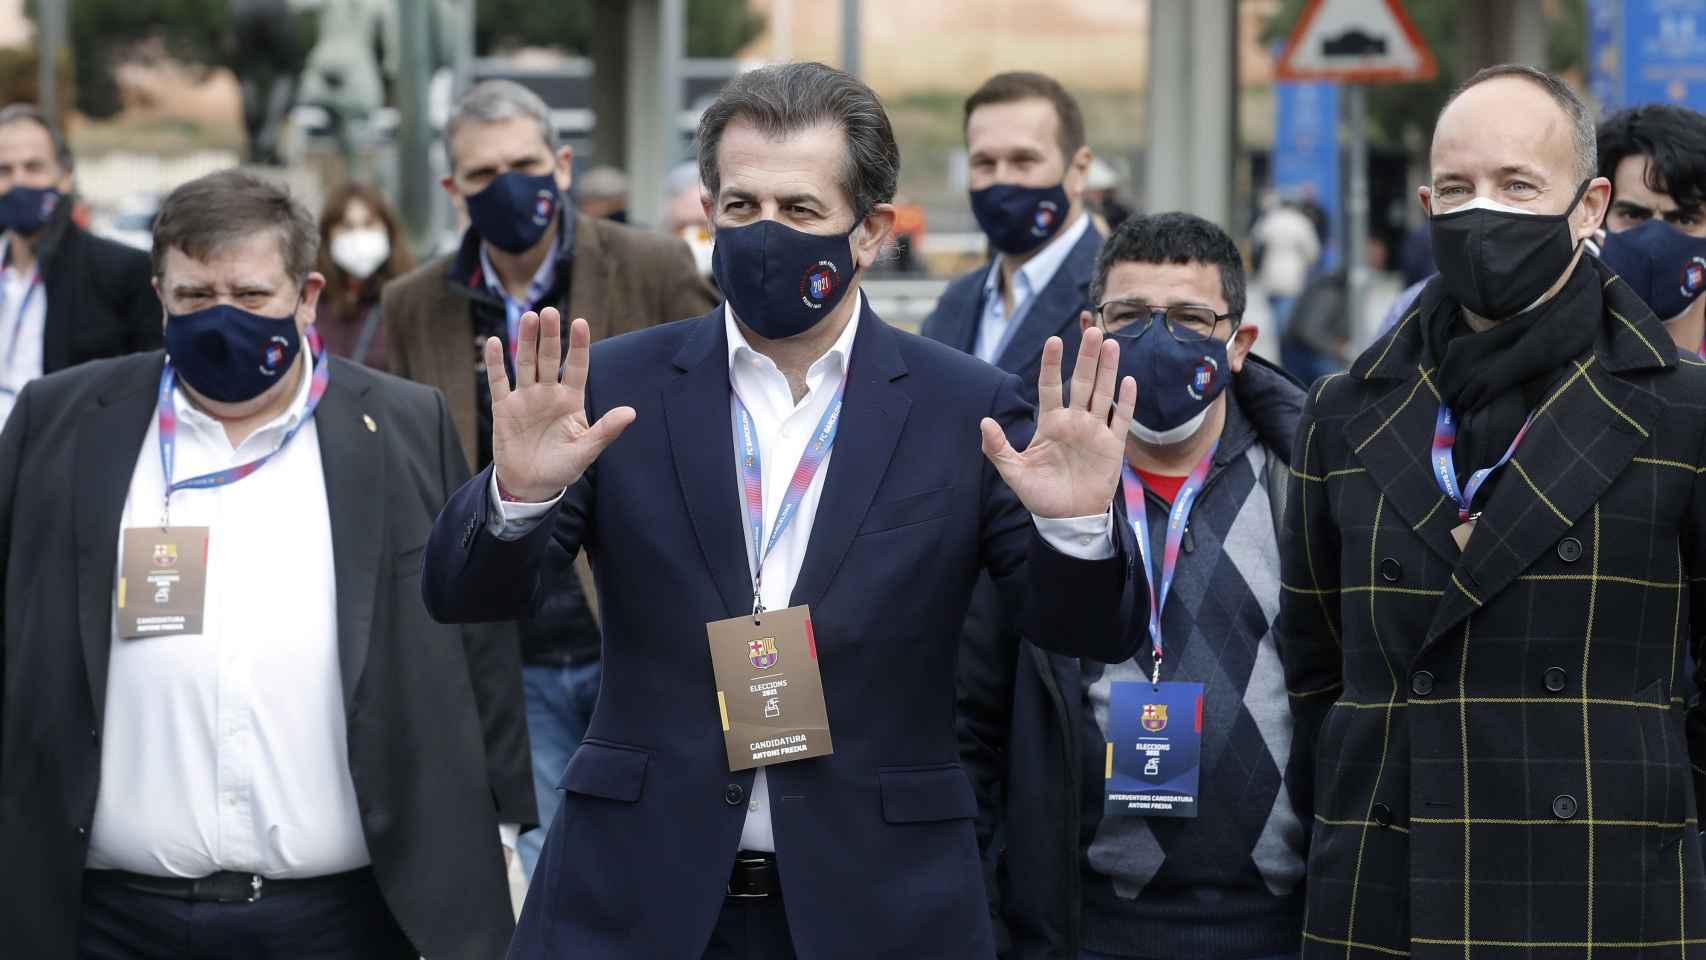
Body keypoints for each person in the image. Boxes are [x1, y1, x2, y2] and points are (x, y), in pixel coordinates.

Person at [419, 61, 1145, 959]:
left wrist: (1076, 528)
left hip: (880, 904)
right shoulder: (614, 390)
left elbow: (1085, 631)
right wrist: (518, 495)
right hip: (633, 900)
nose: (767, 237)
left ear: (871, 231)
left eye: (800, 212)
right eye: (740, 208)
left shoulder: (971, 408)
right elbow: (466, 595)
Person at [0, 169, 532, 959]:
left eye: (250, 296)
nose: (221, 319)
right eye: (193, 296)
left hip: (341, 919)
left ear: (307, 295)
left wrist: (501, 821)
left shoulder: (400, 424)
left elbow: (475, 634)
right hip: (105, 918)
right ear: (159, 295)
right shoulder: (61, 420)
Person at [1278, 64, 1706, 958]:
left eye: (1519, 186)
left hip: (1601, 888)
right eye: (1459, 188)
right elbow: (1316, 663)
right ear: (1429, 202)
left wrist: (1653, 812)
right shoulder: (1346, 410)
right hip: (1388, 885)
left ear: (1588, 207)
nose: (1485, 214)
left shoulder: (1682, 409)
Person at [381, 78, 717, 883]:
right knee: (553, 864)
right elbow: (412, 465)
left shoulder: (653, 263)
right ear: (451, 189)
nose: (509, 187)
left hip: (636, 622)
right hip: (508, 640)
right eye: (483, 174)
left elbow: (718, 404)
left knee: (665, 851)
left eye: (524, 163)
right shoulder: (413, 304)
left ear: (562, 165)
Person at [959, 212, 1307, 960]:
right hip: (1085, 930)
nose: (1158, 339)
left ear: (1240, 344)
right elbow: (972, 729)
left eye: (1188, 317)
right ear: (1092, 331)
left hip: (1285, 930)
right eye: (1129, 317)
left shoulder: (1308, 483)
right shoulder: (1028, 492)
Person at [921, 71, 1099, 405]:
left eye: (1023, 161)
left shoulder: (1119, 300)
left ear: (1079, 170)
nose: (1002, 181)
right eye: (984, 163)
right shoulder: (953, 305)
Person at [0, 104, 160, 429]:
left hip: (60, 456)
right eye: (4, 170)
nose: (19, 182)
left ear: (65, 176)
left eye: (33, 167)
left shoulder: (121, 272)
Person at [1595, 103, 1706, 354]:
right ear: (1597, 218)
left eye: (1685, 219)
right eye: (1633, 215)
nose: (1656, 242)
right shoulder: (1562, 371)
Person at [314, 181, 414, 370]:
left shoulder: (408, 301)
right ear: (328, 235)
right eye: (347, 226)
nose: (359, 236)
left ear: (388, 230)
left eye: (369, 224)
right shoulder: (310, 302)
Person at [1250, 193, 1320, 336]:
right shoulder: (1301, 221)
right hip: (1292, 270)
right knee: (1287, 309)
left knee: (1275, 307)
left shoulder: (1269, 219)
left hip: (1271, 267)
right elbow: (1312, 251)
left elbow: (1256, 241)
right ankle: (1283, 337)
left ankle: (1278, 333)